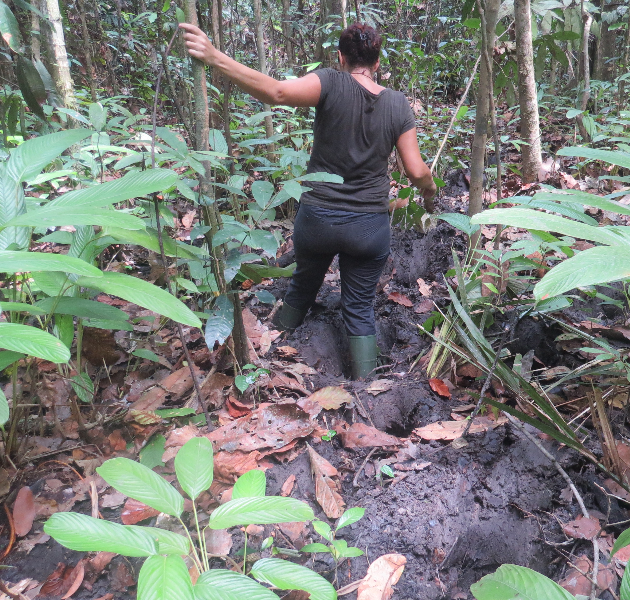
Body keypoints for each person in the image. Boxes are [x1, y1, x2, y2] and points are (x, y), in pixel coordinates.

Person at [180, 21, 437, 379]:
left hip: (318, 219)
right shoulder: (396, 103)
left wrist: (213, 56)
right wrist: (429, 190)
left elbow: (277, 93)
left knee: (303, 284)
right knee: (359, 305)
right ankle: (367, 384)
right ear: (378, 63)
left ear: (340, 57)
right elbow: (415, 170)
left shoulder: (330, 81)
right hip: (368, 227)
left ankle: (273, 353)